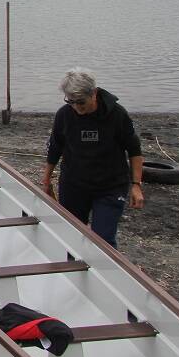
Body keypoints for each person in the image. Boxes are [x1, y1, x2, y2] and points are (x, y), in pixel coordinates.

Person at [41, 68, 144, 249]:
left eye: (81, 102)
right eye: (70, 101)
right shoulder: (64, 115)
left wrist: (136, 185)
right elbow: (55, 148)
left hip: (110, 187)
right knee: (70, 235)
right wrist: (46, 179)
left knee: (103, 240)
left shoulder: (117, 114)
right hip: (73, 185)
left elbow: (134, 150)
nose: (76, 107)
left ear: (94, 93)